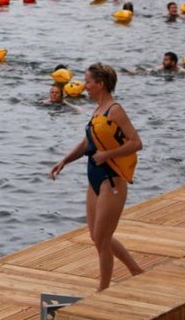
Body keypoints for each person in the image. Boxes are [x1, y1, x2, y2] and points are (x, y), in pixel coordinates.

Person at [50, 63, 143, 291]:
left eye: (88, 82)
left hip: (112, 180)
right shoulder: (97, 110)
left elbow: (136, 143)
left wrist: (108, 154)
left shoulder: (115, 110)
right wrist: (65, 160)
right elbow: (87, 143)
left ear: (100, 85)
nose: (85, 86)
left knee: (102, 238)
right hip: (94, 179)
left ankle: (103, 290)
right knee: (97, 236)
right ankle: (136, 271)